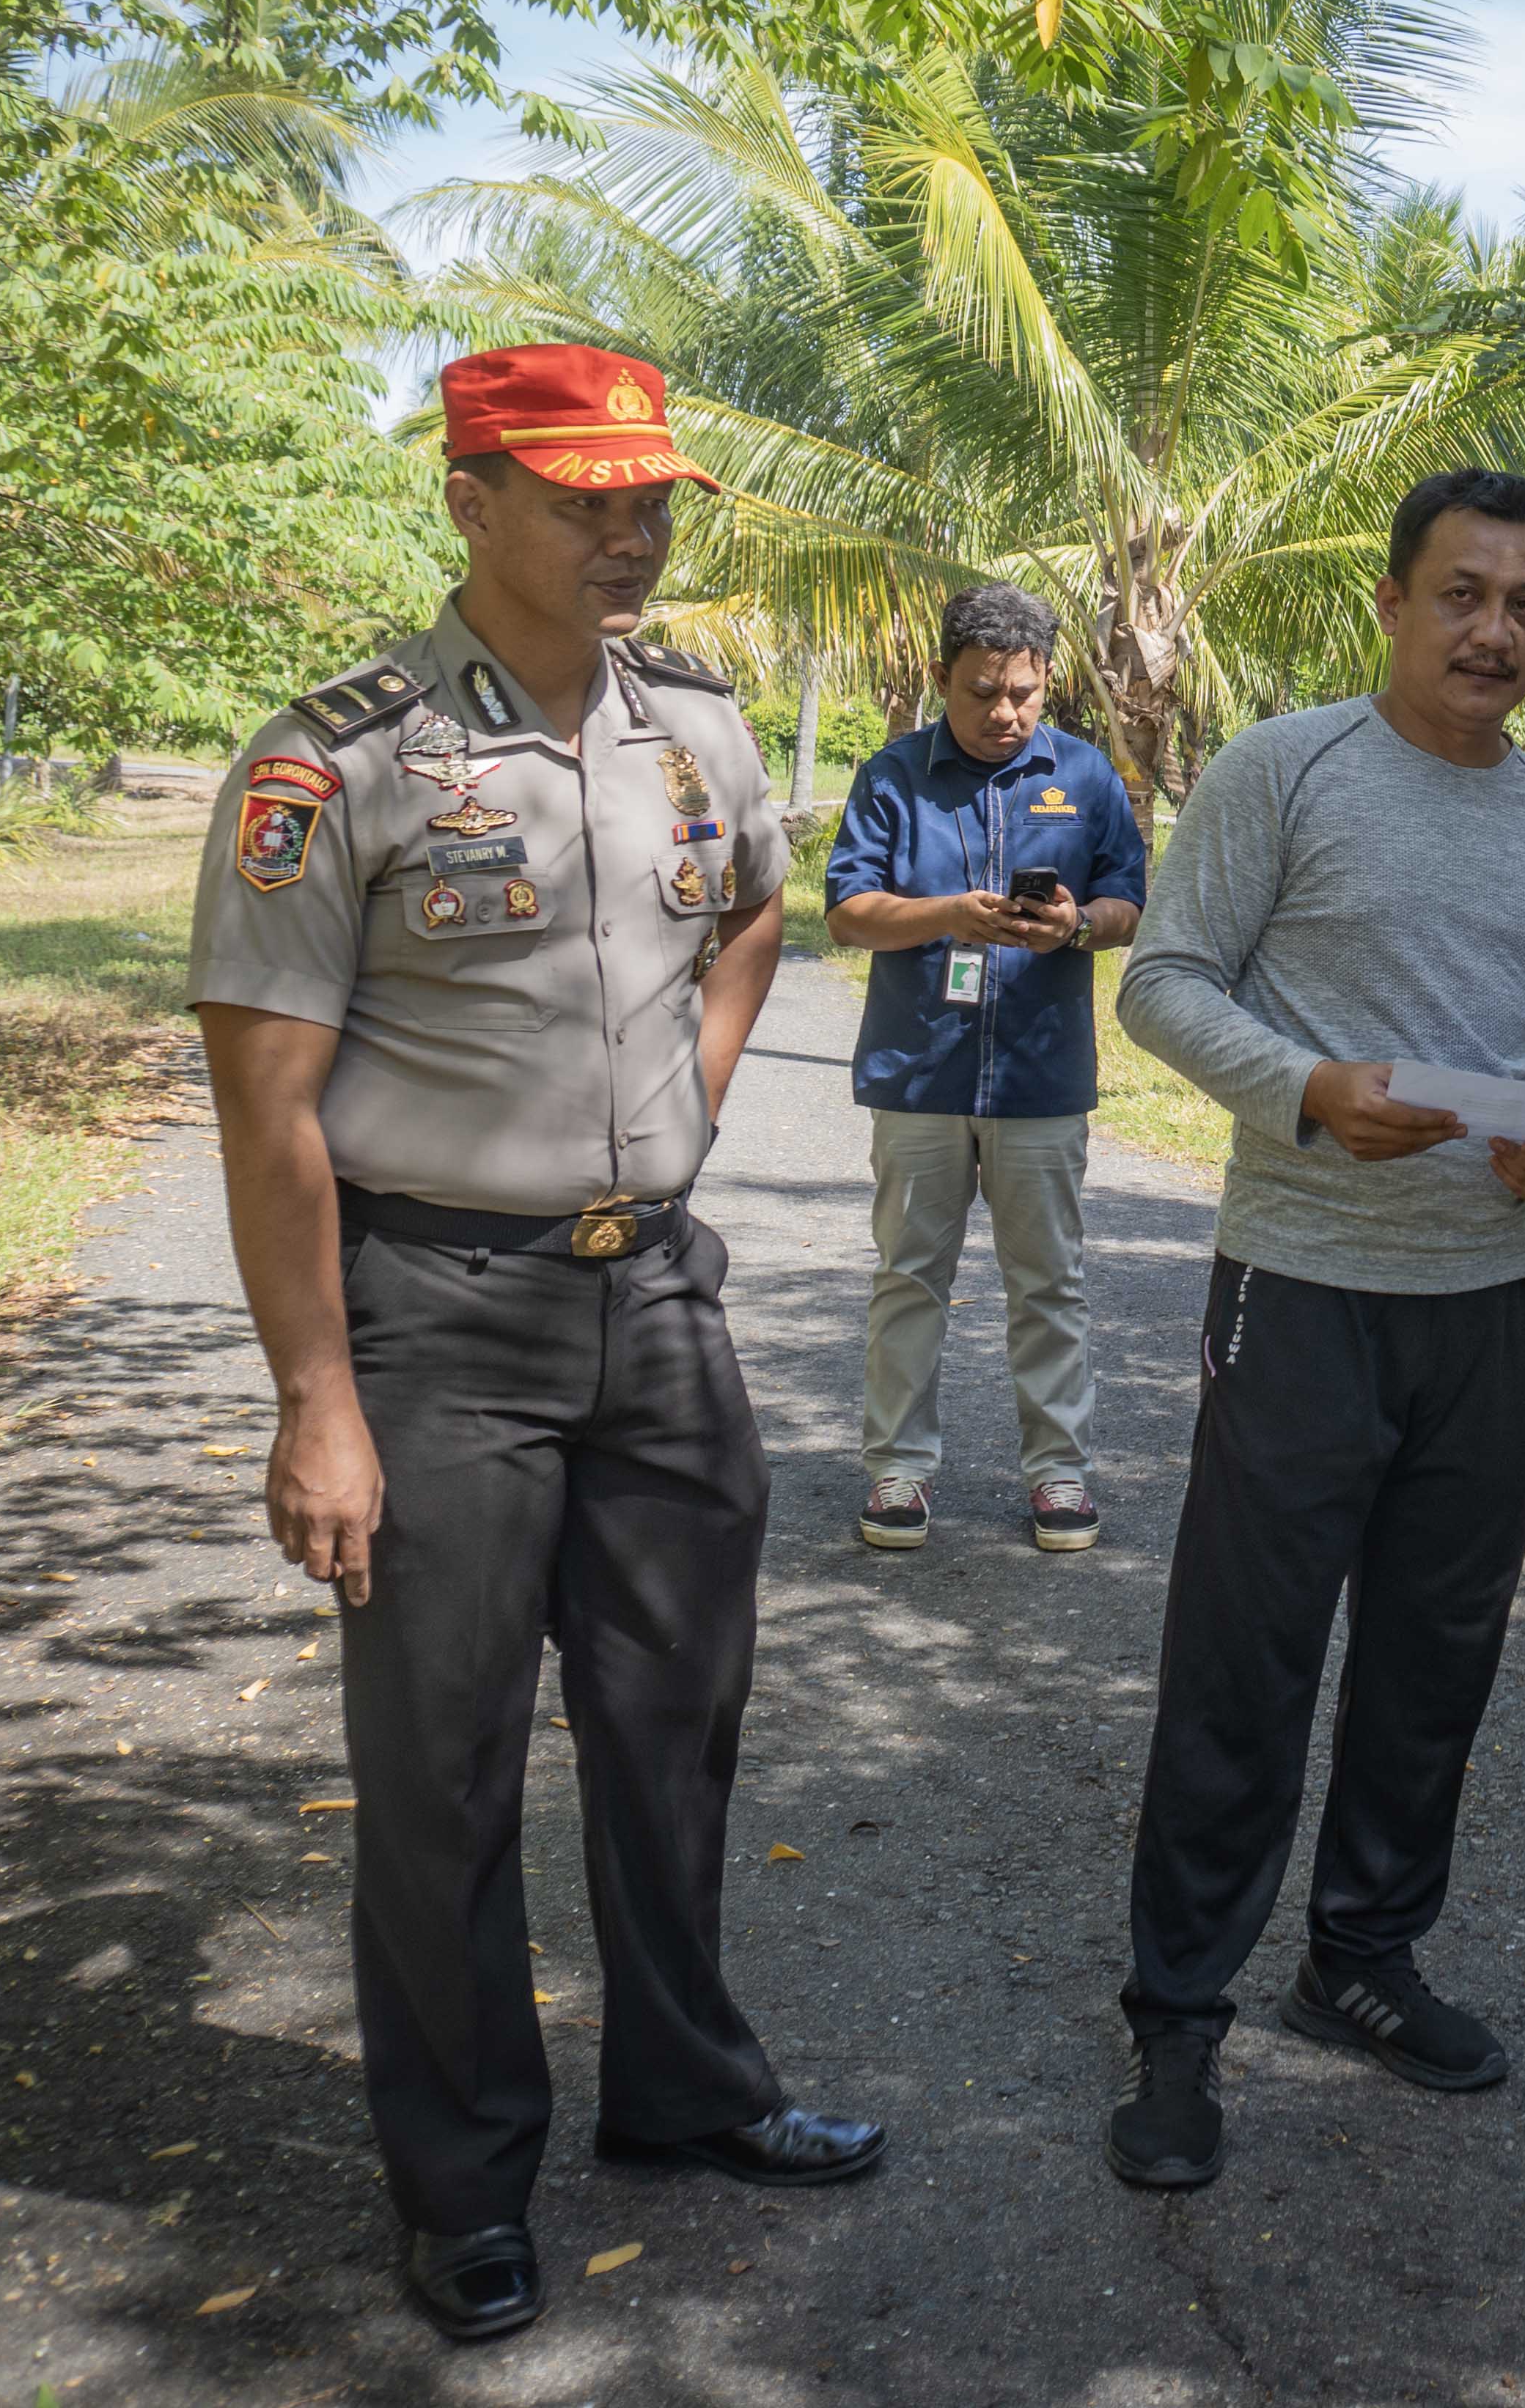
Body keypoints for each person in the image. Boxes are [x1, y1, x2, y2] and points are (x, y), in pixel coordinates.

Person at [190, 345, 886, 2346]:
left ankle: (684, 2092)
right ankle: (468, 2177)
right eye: (582, 497)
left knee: (679, 1727)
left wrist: (695, 1092)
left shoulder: (693, 723)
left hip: (656, 1300)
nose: (629, 530)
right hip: (435, 1319)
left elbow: (758, 906)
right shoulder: (343, 762)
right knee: (443, 1765)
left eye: (648, 496)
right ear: (470, 497)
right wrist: (319, 1399)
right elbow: (268, 1109)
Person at [1098, 467, 1525, 2192]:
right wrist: (1309, 1090)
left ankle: (1362, 1957)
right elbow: (1166, 978)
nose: (1494, 630)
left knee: (1433, 1660)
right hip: (1305, 1288)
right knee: (1243, 1668)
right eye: (1463, 592)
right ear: (1394, 604)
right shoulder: (1287, 767)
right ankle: (1179, 2017)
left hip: (1494, 1306)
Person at [826, 578, 1150, 1555]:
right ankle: (898, 1472)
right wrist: (947, 916)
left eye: (1023, 692)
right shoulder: (892, 776)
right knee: (908, 1279)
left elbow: (1130, 904)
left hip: (1041, 1080)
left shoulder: (1086, 778)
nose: (1004, 714)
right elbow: (847, 910)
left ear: (1047, 680)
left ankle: (1058, 1474)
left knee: (1050, 1282)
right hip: (919, 1075)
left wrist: (1075, 926)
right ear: (941, 678)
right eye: (981, 693)